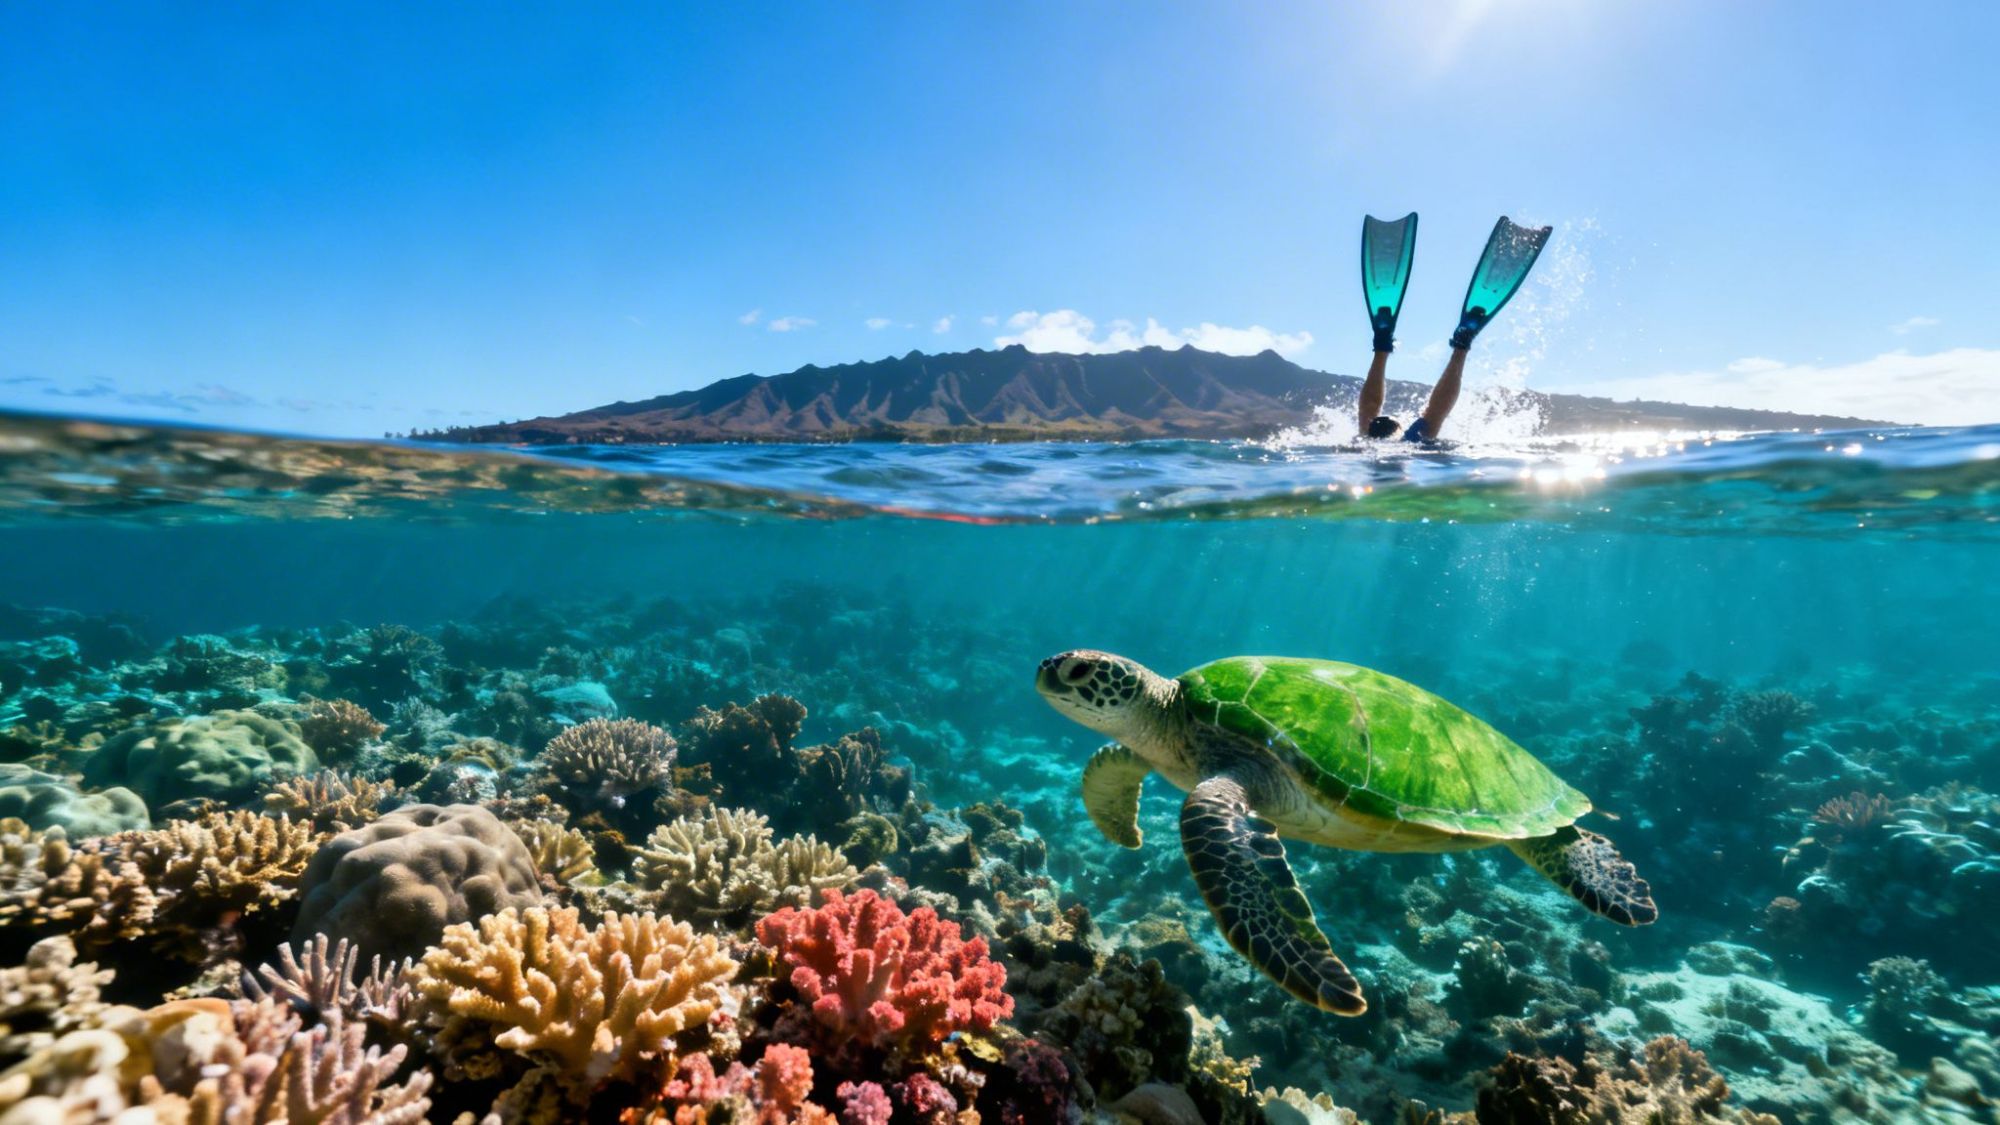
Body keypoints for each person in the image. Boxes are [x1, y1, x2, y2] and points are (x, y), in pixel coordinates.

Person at [1356, 214, 1551, 444]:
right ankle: (1393, 345)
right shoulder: (1409, 440)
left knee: (1380, 425)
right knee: (1423, 420)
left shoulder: (1367, 445)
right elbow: (1432, 412)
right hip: (1403, 448)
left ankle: (1454, 346)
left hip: (1376, 450)